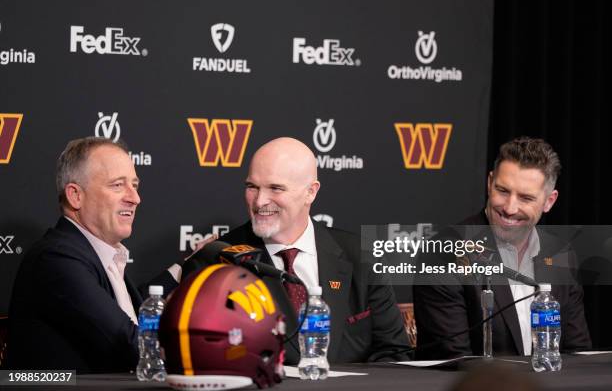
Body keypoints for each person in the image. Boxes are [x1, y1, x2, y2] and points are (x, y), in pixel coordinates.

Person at [212, 137, 412, 364]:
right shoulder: (221, 259)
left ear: (311, 192)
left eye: (275, 188)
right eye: (252, 187)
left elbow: (395, 354)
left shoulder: (361, 255)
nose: (259, 201)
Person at [7, 137, 179, 373]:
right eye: (118, 185)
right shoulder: (56, 258)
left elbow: (128, 316)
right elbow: (128, 341)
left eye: (135, 185)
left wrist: (184, 268)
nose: (135, 198)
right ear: (75, 195)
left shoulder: (97, 255)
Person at [413, 137, 591, 359]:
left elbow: (578, 353)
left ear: (549, 201)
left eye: (526, 198)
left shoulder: (560, 253)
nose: (509, 208)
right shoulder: (444, 251)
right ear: (489, 182)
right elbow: (454, 361)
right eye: (503, 191)